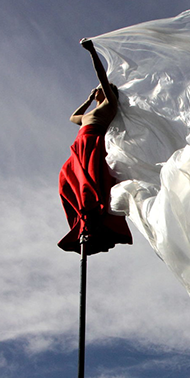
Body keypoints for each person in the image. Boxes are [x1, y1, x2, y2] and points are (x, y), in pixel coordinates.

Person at [58, 80, 133, 255]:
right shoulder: (90, 112)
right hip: (79, 146)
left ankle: (90, 224)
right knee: (67, 181)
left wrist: (92, 52)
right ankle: (83, 222)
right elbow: (73, 117)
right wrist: (89, 99)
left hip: (93, 144)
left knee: (88, 185)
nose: (95, 89)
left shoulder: (109, 104)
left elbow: (103, 78)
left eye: (98, 88)